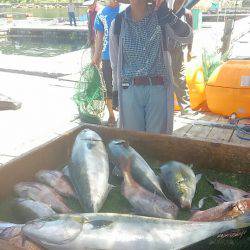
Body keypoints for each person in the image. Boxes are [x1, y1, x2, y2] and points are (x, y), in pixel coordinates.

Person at [109, 0, 193, 134]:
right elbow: (115, 62)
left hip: (158, 89)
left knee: (157, 142)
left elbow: (188, 36)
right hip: (130, 90)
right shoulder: (117, 23)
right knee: (134, 142)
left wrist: (169, 16)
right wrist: (115, 90)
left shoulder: (161, 17)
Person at [92, 0, 127, 126]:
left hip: (125, 55)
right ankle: (111, 115)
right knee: (108, 87)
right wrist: (96, 56)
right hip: (107, 56)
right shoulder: (101, 13)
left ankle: (125, 113)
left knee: (125, 84)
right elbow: (99, 36)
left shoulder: (126, 9)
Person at [170, 1, 194, 115]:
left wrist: (190, 50)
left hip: (177, 51)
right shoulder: (165, 10)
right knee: (163, 81)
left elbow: (190, 33)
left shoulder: (187, 14)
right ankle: (167, 108)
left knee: (180, 79)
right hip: (162, 51)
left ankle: (186, 109)